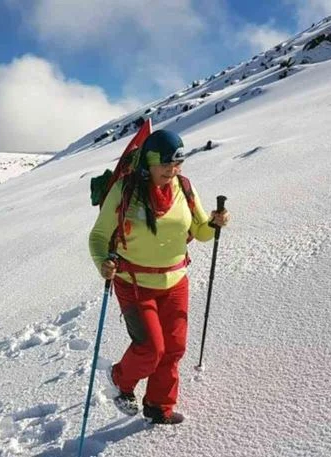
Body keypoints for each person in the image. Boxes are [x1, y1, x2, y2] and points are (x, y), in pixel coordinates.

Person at [88, 130, 230, 424]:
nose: (172, 169)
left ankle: (158, 406)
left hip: (175, 280)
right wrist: (103, 262)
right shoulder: (126, 190)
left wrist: (214, 223)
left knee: (174, 348)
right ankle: (119, 379)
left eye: (178, 163)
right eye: (165, 163)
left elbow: (200, 231)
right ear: (148, 162)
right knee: (151, 349)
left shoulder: (184, 188)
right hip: (134, 282)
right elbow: (99, 235)